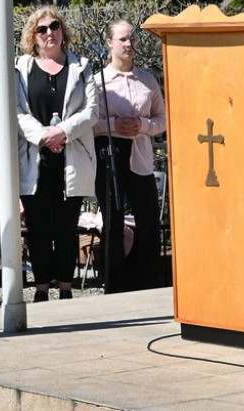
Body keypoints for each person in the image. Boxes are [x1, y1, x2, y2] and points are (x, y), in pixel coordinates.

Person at [15, 6, 97, 302]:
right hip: (35, 159)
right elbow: (18, 111)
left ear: (62, 31)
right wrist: (44, 137)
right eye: (42, 29)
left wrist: (62, 132)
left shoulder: (82, 66)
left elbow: (91, 111)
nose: (49, 33)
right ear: (33, 37)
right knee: (37, 227)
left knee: (66, 225)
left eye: (54, 26)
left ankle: (64, 286)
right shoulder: (21, 67)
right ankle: (40, 288)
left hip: (70, 157)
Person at [93, 19, 166, 292]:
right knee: (112, 220)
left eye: (132, 39)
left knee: (147, 220)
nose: (129, 44)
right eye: (123, 39)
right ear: (110, 43)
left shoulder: (147, 80)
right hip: (110, 154)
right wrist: (114, 125)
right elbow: (89, 122)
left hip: (140, 154)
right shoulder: (98, 82)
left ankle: (147, 280)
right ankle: (114, 283)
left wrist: (143, 126)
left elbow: (163, 118)